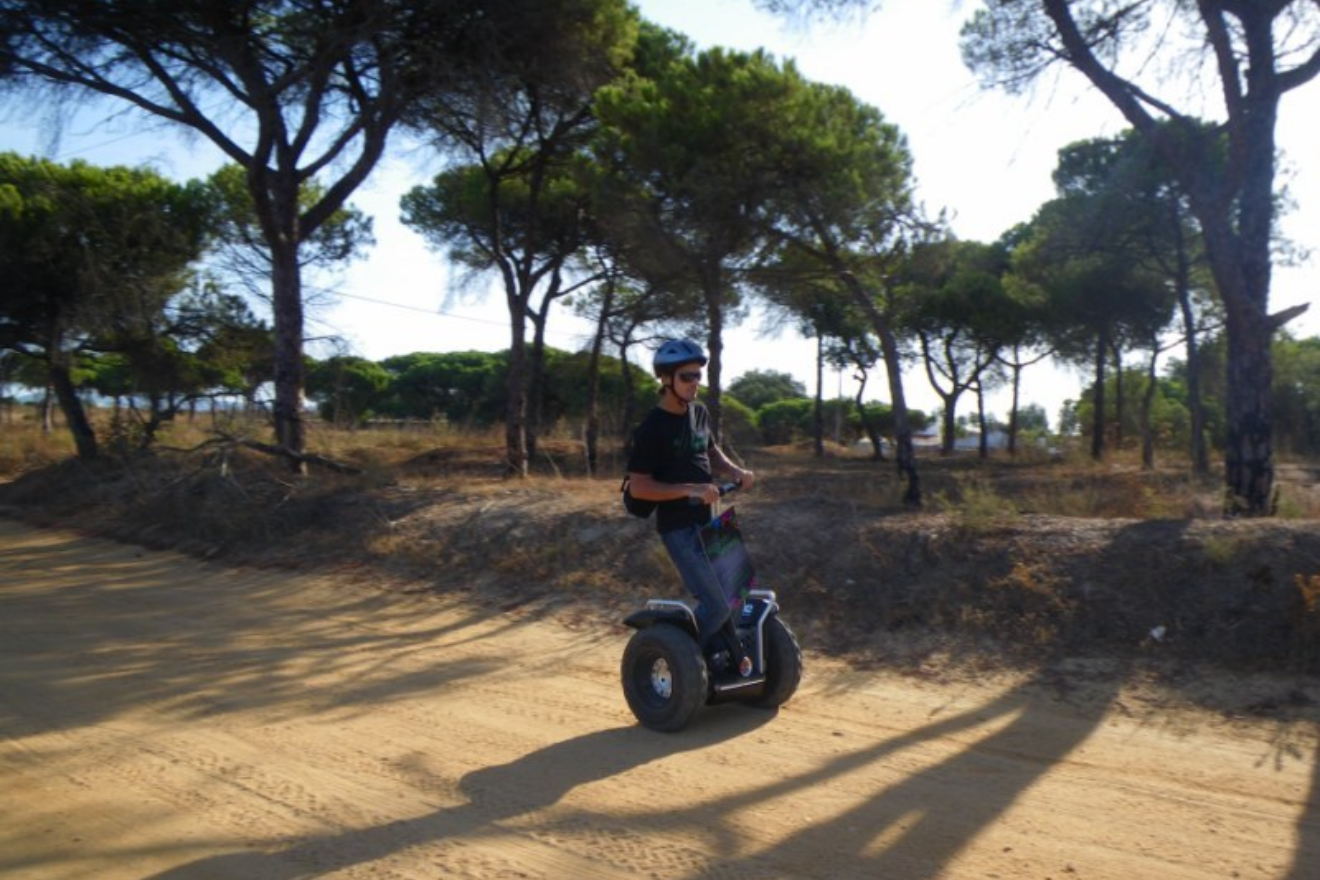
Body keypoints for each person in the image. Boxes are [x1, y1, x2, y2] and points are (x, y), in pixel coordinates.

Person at [626, 339, 757, 677]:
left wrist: (736, 472)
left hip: (711, 521)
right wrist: (692, 489)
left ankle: (723, 657)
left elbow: (710, 451)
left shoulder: (699, 412)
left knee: (738, 594)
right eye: (687, 376)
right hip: (678, 528)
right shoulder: (651, 428)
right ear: (666, 380)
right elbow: (639, 485)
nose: (695, 382)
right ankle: (678, 663)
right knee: (715, 604)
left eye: (698, 375)